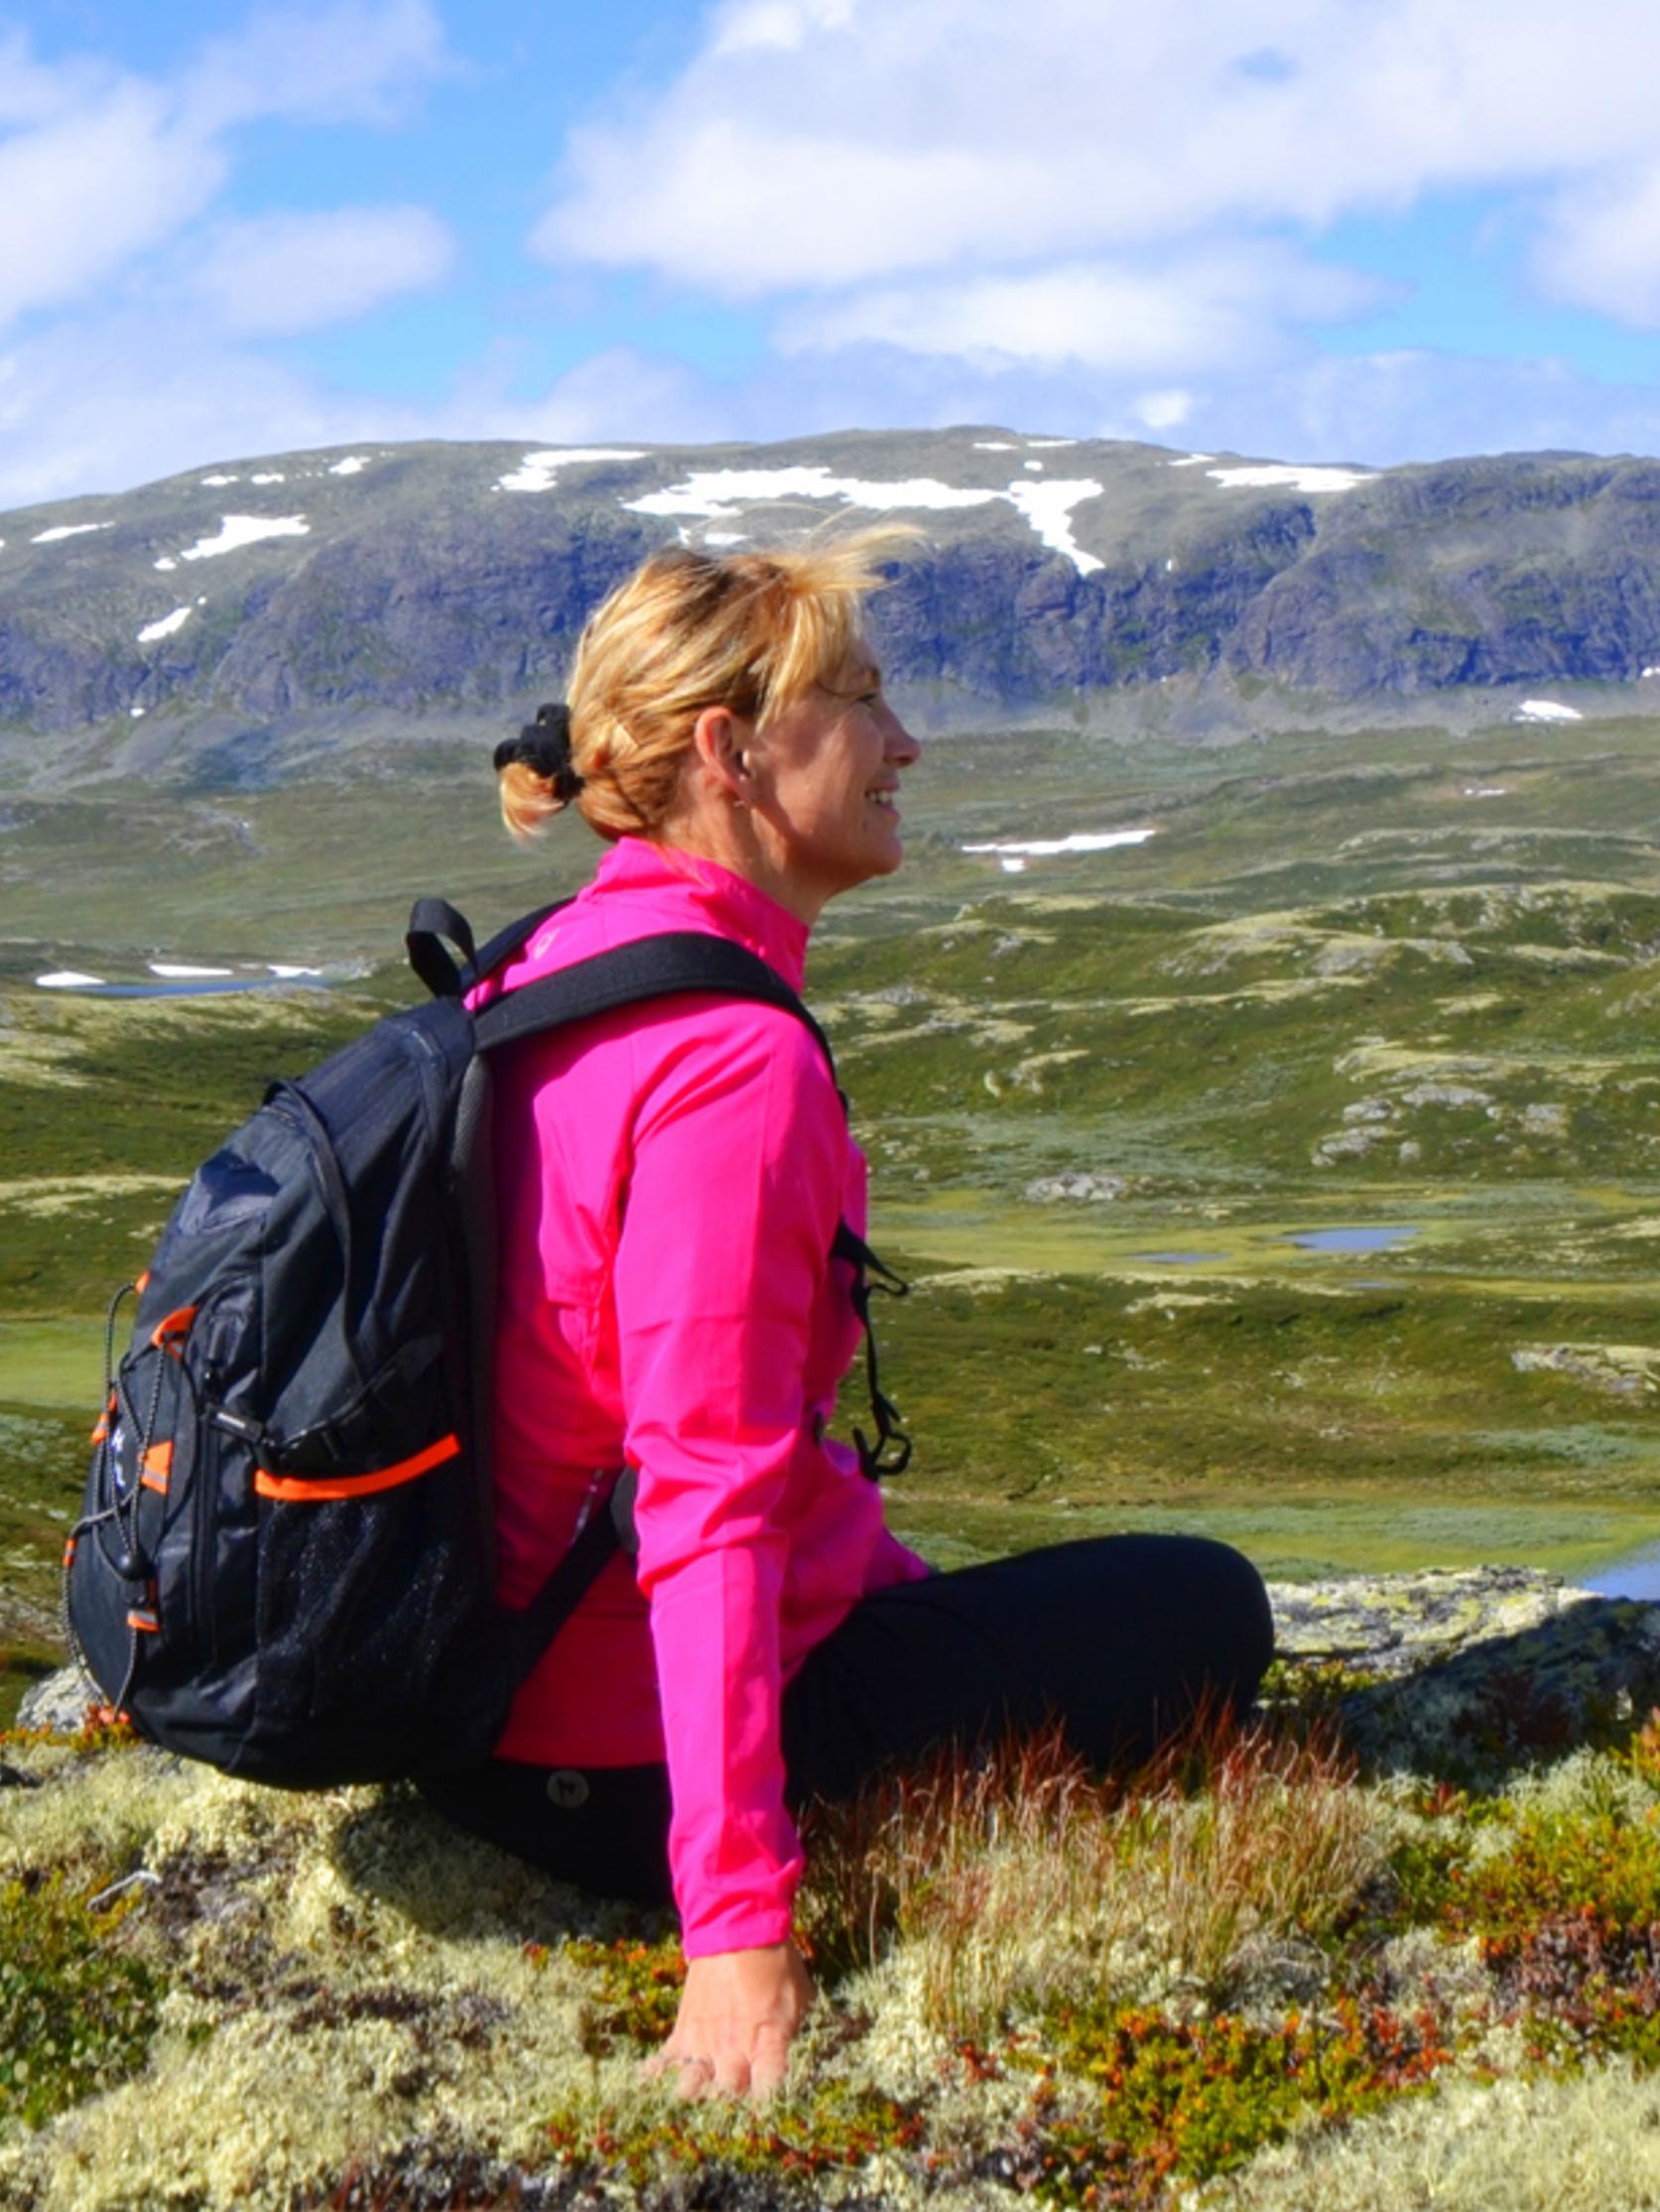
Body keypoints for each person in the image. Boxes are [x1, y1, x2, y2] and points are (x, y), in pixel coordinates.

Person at [422, 535, 1273, 2101]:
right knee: (1209, 1609)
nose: (904, 744)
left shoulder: (542, 972)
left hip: (474, 1719)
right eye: (864, 701)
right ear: (732, 754)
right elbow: (703, 1495)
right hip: (615, 1771)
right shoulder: (728, 1060)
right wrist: (737, 1932)